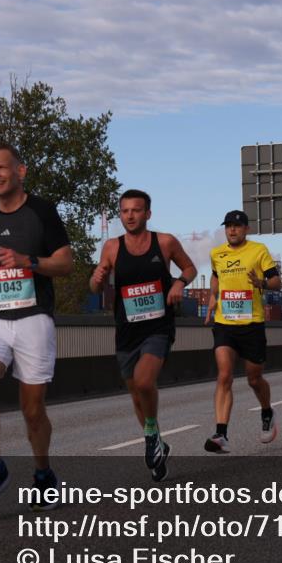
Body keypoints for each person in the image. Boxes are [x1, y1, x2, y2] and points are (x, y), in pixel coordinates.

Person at [0, 142, 73, 510]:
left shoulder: (43, 212)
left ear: (20, 172)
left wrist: (29, 261)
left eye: (1, 168)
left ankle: (43, 474)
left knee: (32, 409)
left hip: (34, 318)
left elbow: (66, 263)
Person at [90, 190, 196, 482]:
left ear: (148, 213)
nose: (130, 216)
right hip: (126, 330)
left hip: (158, 327)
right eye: (124, 211)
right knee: (136, 393)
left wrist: (178, 283)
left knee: (145, 381)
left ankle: (150, 436)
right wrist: (96, 279)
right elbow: (95, 288)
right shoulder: (111, 247)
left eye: (136, 210)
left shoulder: (164, 242)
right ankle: (159, 443)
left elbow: (190, 267)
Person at [202, 210, 281, 453]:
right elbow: (216, 277)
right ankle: (221, 434)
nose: (232, 230)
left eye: (237, 226)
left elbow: (277, 281)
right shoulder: (217, 254)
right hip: (225, 323)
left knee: (254, 379)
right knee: (224, 375)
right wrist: (213, 299)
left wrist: (262, 284)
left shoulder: (258, 250)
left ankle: (267, 412)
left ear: (246, 229)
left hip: (252, 323)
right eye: (228, 226)